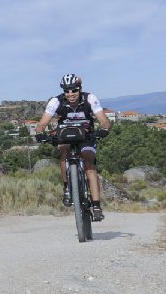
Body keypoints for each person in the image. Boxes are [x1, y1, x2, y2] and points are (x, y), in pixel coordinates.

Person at [33, 74, 111, 221]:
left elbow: (103, 121)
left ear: (79, 89)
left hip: (86, 135)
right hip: (65, 134)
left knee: (89, 163)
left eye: (74, 90)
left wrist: (104, 129)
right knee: (63, 151)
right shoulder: (56, 101)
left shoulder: (90, 98)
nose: (70, 94)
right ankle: (67, 188)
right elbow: (42, 123)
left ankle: (96, 206)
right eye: (67, 91)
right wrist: (39, 133)